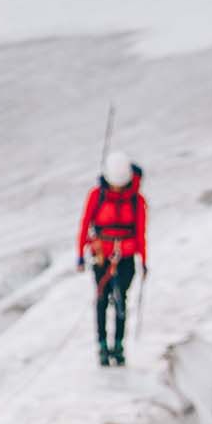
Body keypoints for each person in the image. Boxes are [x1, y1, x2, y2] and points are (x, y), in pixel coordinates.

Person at [76, 151, 147, 366]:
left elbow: (140, 232)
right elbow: (85, 223)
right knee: (101, 299)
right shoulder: (97, 196)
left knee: (120, 300)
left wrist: (143, 260)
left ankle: (118, 345)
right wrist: (80, 254)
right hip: (102, 257)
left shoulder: (136, 200)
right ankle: (103, 346)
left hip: (124, 258)